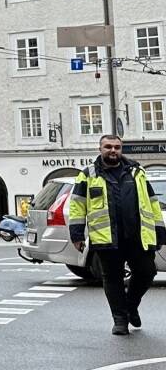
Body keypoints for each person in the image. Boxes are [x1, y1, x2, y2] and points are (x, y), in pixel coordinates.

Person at [69, 134, 166, 335]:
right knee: (112, 278)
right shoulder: (88, 174)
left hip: (137, 236)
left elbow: (152, 202)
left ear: (121, 149)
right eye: (108, 147)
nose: (113, 150)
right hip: (106, 237)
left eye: (117, 147)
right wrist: (76, 234)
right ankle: (120, 320)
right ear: (100, 149)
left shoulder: (136, 171)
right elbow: (78, 205)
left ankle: (131, 305)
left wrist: (159, 230)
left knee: (147, 272)